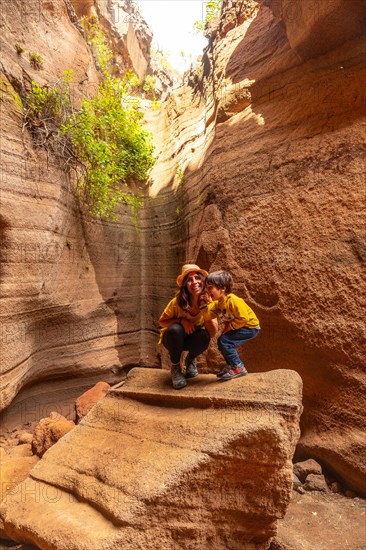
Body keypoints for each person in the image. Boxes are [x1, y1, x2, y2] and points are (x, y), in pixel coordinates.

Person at [159, 264, 218, 389]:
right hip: (173, 339)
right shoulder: (177, 302)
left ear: (203, 281)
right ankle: (175, 368)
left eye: (197, 278)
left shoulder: (209, 302)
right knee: (175, 329)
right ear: (185, 285)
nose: (194, 282)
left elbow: (212, 333)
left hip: (192, 338)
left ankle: (190, 359)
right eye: (190, 280)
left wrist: (204, 309)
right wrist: (181, 321)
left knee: (204, 336)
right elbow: (162, 321)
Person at [203, 270, 260, 381]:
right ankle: (232, 366)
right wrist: (204, 305)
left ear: (222, 288)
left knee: (225, 341)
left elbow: (244, 318)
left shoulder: (234, 301)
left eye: (210, 287)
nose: (207, 290)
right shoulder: (218, 303)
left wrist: (231, 327)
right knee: (221, 341)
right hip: (240, 326)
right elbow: (208, 316)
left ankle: (238, 367)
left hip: (250, 327)